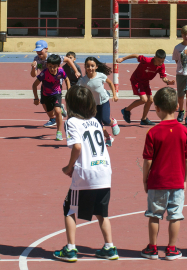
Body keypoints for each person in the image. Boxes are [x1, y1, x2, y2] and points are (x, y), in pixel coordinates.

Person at [54, 86, 118, 262]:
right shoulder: (96, 121)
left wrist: (69, 166)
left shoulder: (72, 122)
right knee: (101, 212)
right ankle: (110, 247)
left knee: (69, 209)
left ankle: (71, 249)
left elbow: (77, 146)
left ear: (71, 104)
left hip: (86, 173)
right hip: (104, 171)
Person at [141, 87, 187, 261]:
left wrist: (145, 179)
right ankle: (171, 248)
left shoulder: (153, 132)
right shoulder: (184, 131)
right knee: (175, 216)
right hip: (177, 180)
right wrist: (184, 179)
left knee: (154, 215)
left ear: (158, 108)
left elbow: (148, 160)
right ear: (176, 107)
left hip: (157, 180)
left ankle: (153, 247)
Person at [118, 49, 175, 126]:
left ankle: (144, 119)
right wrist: (123, 59)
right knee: (144, 99)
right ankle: (126, 110)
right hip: (137, 80)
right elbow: (135, 55)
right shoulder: (146, 60)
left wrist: (168, 82)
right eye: (159, 61)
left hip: (145, 82)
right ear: (154, 58)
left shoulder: (161, 66)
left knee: (150, 100)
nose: (160, 63)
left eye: (162, 61)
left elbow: (163, 77)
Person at [30, 40, 81, 127]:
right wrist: (33, 68)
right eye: (37, 50)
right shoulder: (37, 59)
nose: (38, 51)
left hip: (56, 82)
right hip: (45, 81)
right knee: (43, 102)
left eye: (40, 49)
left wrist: (76, 71)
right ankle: (53, 118)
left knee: (54, 100)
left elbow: (68, 59)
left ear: (46, 49)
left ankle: (58, 110)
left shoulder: (53, 57)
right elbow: (34, 75)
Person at [77, 57, 120, 147]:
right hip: (93, 105)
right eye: (88, 66)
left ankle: (113, 122)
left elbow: (110, 83)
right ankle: (108, 137)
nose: (90, 68)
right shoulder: (83, 80)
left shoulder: (100, 76)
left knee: (105, 120)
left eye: (92, 66)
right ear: (85, 67)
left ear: (96, 66)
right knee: (97, 124)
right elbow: (77, 90)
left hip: (104, 101)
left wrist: (114, 95)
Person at [32, 54, 70, 141]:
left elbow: (67, 79)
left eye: (54, 67)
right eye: (50, 66)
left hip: (57, 93)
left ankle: (59, 132)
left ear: (58, 66)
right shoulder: (44, 73)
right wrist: (36, 98)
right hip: (46, 95)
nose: (52, 69)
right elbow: (34, 85)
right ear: (47, 65)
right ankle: (60, 107)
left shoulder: (61, 71)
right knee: (51, 115)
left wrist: (69, 90)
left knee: (57, 112)